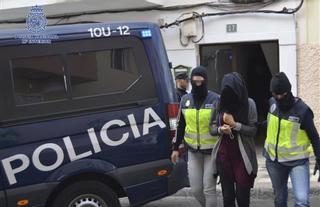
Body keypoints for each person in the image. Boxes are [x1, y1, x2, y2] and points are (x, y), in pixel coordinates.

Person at [264, 72, 320, 207]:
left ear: (288, 91)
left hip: (297, 162)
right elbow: (273, 125)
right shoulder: (272, 104)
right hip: (274, 162)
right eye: (274, 94)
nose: (277, 98)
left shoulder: (303, 111)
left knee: (302, 200)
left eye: (281, 94)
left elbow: (314, 137)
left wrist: (319, 158)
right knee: (280, 199)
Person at [171, 66, 219, 207]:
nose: (197, 83)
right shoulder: (185, 100)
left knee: (209, 189)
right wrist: (175, 148)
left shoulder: (216, 99)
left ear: (205, 81)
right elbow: (180, 125)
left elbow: (222, 124)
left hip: (211, 151)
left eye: (200, 81)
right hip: (193, 152)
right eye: (195, 81)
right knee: (196, 190)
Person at [210, 72, 258, 207]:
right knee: (228, 198)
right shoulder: (218, 103)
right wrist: (220, 129)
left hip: (243, 157)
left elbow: (253, 130)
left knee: (242, 199)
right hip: (224, 156)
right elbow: (211, 129)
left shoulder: (249, 104)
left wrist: (234, 125)